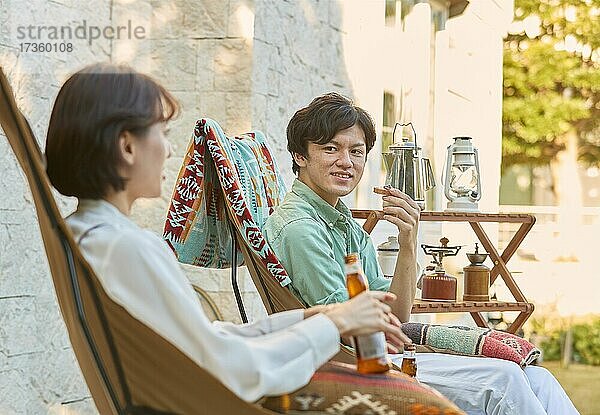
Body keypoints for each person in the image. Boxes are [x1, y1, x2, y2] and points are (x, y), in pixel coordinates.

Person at [44, 63, 459, 413]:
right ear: (128, 147)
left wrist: (313, 318)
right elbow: (230, 367)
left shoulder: (94, 238)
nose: (169, 152)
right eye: (163, 133)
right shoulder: (127, 248)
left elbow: (209, 341)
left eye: (357, 152)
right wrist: (335, 322)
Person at [263, 92, 579, 415]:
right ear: (300, 156)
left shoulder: (343, 223)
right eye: (331, 148)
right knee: (505, 379)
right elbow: (348, 329)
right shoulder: (300, 227)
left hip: (379, 352)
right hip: (351, 367)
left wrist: (408, 239)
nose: (346, 162)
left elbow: (398, 316)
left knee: (538, 378)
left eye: (356, 152)